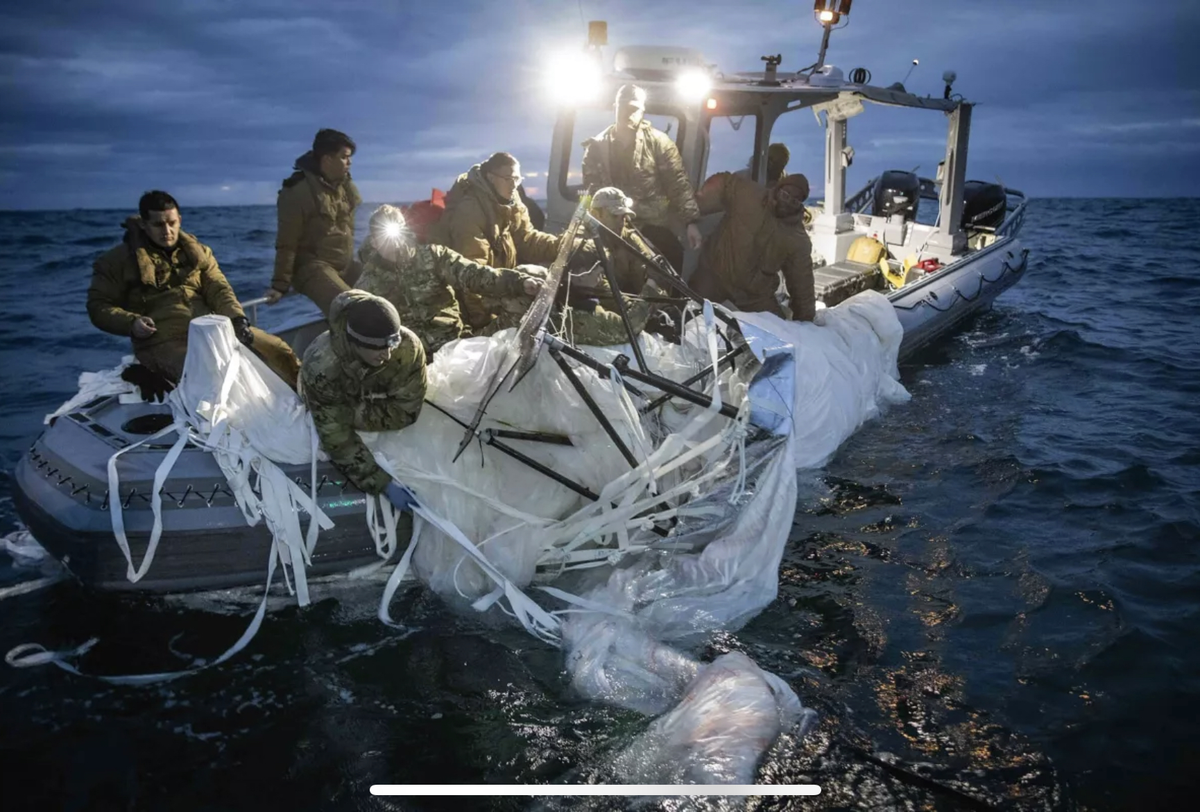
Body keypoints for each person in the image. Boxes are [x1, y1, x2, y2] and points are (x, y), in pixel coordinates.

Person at [87, 190, 301, 394]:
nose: (167, 231)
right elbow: (98, 306)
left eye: (172, 223)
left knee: (279, 350)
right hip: (161, 341)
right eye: (158, 225)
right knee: (209, 373)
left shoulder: (199, 253)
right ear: (143, 225)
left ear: (179, 218)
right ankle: (145, 372)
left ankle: (309, 400)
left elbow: (219, 289)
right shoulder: (116, 262)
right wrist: (131, 323)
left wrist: (237, 320)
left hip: (212, 329)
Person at [357, 205, 541, 357]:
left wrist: (518, 282)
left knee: (524, 305)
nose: (394, 242)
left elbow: (475, 275)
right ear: (373, 241)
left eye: (396, 232)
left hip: (457, 346)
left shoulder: (434, 256)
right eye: (384, 235)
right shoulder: (368, 282)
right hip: (412, 362)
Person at [300, 290, 425, 508]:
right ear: (356, 343)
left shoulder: (407, 347)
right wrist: (382, 483)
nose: (386, 356)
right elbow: (336, 436)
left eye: (390, 346)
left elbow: (407, 410)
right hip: (330, 396)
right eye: (377, 349)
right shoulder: (321, 367)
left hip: (360, 397)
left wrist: (360, 408)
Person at [429, 152, 566, 331]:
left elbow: (527, 239)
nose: (513, 185)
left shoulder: (511, 202)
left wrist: (562, 246)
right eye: (508, 178)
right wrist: (483, 326)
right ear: (491, 178)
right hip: (476, 301)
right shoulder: (469, 211)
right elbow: (473, 276)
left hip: (500, 285)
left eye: (517, 179)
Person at [581, 84, 702, 274]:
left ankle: (667, 302)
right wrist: (587, 221)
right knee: (592, 263)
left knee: (671, 259)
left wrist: (691, 222)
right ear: (615, 107)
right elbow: (590, 192)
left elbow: (677, 183)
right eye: (624, 108)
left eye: (634, 109)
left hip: (651, 224)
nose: (628, 114)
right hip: (611, 226)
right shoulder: (596, 147)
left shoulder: (659, 143)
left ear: (642, 111)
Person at [687, 172, 816, 321]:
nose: (787, 203)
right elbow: (724, 183)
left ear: (800, 205)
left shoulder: (797, 239)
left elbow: (802, 283)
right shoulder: (749, 194)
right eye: (785, 195)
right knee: (686, 312)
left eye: (794, 201)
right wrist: (693, 210)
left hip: (752, 296)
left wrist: (805, 320)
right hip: (714, 274)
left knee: (778, 332)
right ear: (778, 189)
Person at [262, 129, 363, 315]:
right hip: (312, 268)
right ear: (327, 159)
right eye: (344, 157)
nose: (349, 162)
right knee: (352, 308)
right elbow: (287, 242)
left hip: (344, 265)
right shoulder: (297, 192)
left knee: (388, 291)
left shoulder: (344, 186)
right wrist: (280, 285)